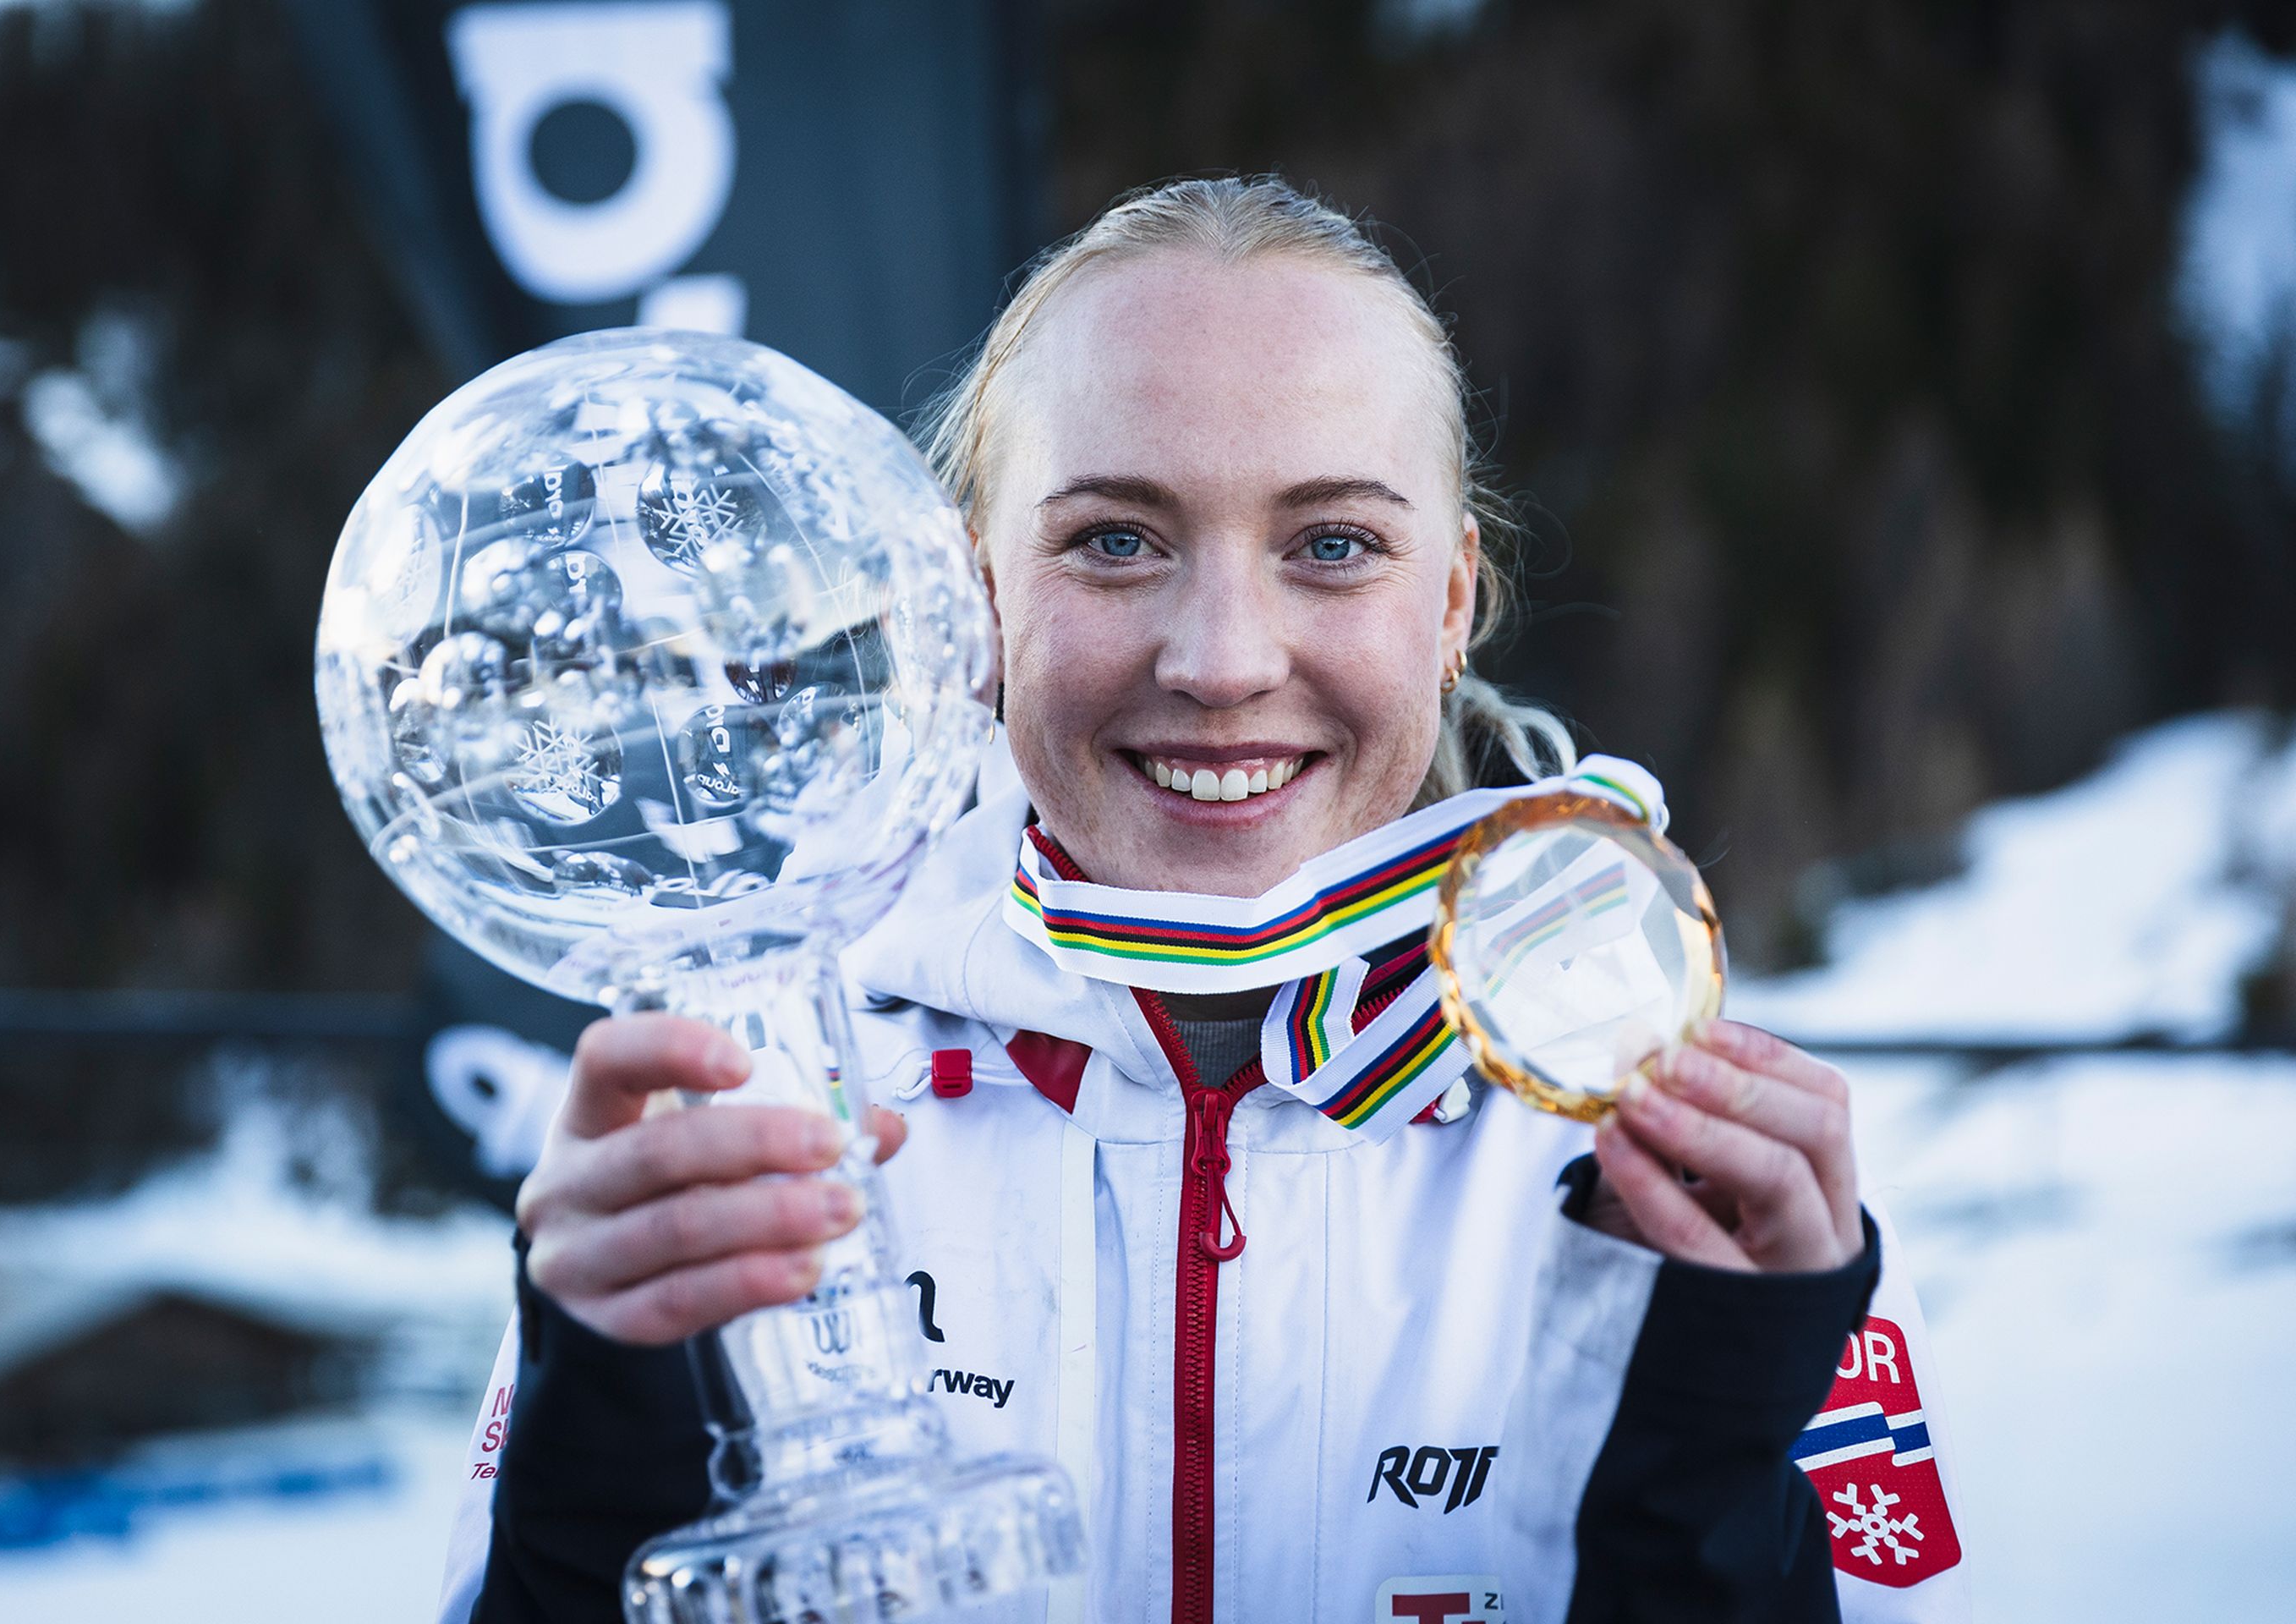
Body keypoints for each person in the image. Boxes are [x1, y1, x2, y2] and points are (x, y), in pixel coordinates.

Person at [440, 177, 1970, 1623]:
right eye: (1115, 541)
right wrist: (604, 1458)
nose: (1223, 661)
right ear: (973, 595)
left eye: (1333, 546)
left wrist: (1704, 1491)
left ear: (1449, 602)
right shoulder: (763, 1105)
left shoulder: (1655, 1148)